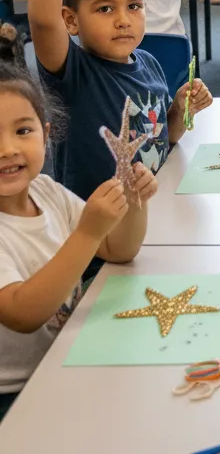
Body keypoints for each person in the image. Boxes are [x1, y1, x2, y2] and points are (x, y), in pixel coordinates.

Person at [27, 0, 212, 202]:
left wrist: (180, 109)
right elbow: (44, 22)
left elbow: (163, 137)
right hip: (95, 227)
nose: (123, 20)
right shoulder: (74, 71)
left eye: (134, 6)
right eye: (105, 9)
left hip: (153, 209)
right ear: (71, 21)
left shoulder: (149, 64)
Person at [0, 66, 157, 422]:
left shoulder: (46, 191)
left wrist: (134, 201)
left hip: (62, 359)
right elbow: (23, 313)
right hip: (13, 393)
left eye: (23, 130)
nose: (7, 149)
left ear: (46, 135)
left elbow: (119, 250)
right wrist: (87, 233)